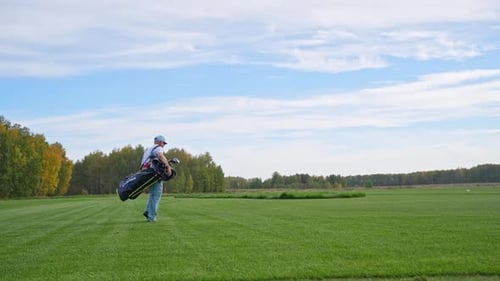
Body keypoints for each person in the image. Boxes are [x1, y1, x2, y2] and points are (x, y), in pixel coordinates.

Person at [141, 135, 172, 222]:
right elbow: (161, 156)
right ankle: (151, 217)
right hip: (153, 174)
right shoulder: (158, 148)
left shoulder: (148, 149)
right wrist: (168, 166)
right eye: (163, 143)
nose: (164, 145)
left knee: (153, 194)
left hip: (145, 173)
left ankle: (148, 211)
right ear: (159, 142)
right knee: (156, 195)